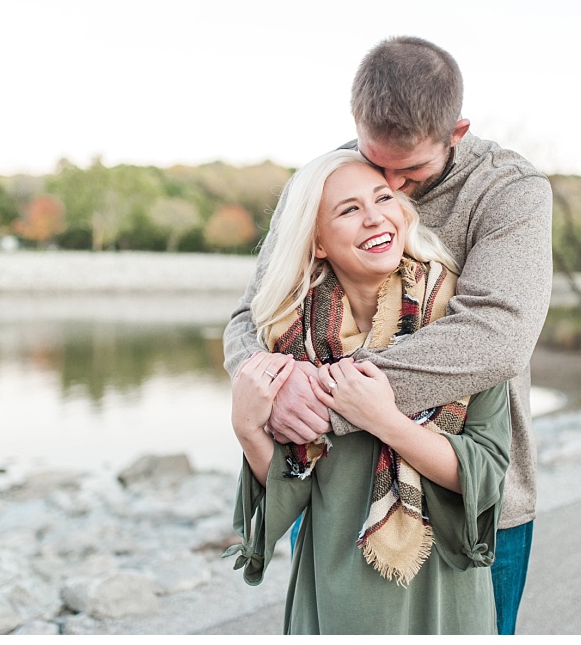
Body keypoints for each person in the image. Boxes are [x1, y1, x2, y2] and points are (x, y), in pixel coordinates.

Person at [224, 36, 552, 634]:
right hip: (332, 487)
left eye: (411, 171)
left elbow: (496, 336)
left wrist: (330, 397)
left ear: (458, 132)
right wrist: (267, 382)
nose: (391, 192)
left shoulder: (509, 190)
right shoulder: (325, 181)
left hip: (469, 496)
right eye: (377, 164)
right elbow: (252, 317)